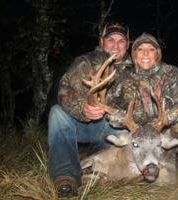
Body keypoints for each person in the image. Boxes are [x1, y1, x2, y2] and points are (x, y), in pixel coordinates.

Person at [47, 21, 133, 197]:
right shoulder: (84, 62)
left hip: (113, 128)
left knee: (126, 131)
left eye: (121, 41)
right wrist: (82, 108)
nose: (116, 45)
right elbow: (63, 94)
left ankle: (94, 169)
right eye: (111, 40)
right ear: (102, 41)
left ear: (128, 44)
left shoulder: (135, 70)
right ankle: (65, 177)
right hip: (83, 125)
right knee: (56, 113)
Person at [106, 32, 178, 178]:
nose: (145, 54)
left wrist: (164, 120)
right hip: (136, 135)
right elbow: (110, 103)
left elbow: (174, 102)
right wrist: (120, 118)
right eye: (140, 49)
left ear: (157, 53)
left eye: (151, 49)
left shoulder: (170, 72)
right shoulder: (123, 77)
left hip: (163, 131)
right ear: (133, 54)